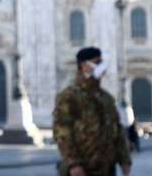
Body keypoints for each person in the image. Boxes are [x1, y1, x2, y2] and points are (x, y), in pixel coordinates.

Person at [53, 47, 131, 176]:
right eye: (97, 62)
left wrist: (124, 159)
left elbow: (117, 129)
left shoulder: (106, 98)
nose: (102, 66)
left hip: (107, 168)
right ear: (84, 65)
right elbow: (62, 132)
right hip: (82, 168)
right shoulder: (69, 96)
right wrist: (74, 163)